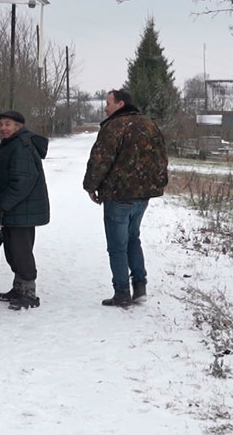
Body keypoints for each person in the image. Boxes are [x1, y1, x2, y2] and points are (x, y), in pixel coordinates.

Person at [82, 89, 169, 307]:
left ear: (120, 104)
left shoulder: (114, 127)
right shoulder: (149, 124)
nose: (105, 107)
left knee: (117, 246)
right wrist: (157, 184)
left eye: (108, 102)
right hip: (143, 195)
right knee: (133, 239)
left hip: (118, 194)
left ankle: (121, 292)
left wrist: (91, 186)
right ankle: (140, 287)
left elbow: (101, 159)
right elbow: (162, 157)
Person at [0, 110, 50, 311]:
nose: (3, 128)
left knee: (21, 251)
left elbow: (23, 181)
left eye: (8, 124)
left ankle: (29, 293)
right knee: (12, 250)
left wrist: (3, 203)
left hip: (21, 209)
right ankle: (19, 288)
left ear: (18, 126)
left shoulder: (21, 145)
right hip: (14, 208)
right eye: (1, 125)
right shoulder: (12, 144)